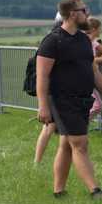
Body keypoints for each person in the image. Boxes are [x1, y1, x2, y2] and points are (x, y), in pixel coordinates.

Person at [36, 0, 102, 199]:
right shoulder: (52, 41)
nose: (87, 14)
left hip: (82, 99)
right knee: (80, 143)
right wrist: (43, 106)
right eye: (84, 10)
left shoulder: (82, 39)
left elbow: (93, 70)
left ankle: (58, 191)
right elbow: (42, 76)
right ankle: (95, 190)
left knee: (66, 144)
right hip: (62, 100)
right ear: (72, 14)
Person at [34, 13, 63, 164]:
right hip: (54, 91)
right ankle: (37, 161)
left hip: (58, 91)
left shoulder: (54, 37)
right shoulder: (54, 40)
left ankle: (38, 161)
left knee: (52, 128)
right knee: (49, 128)